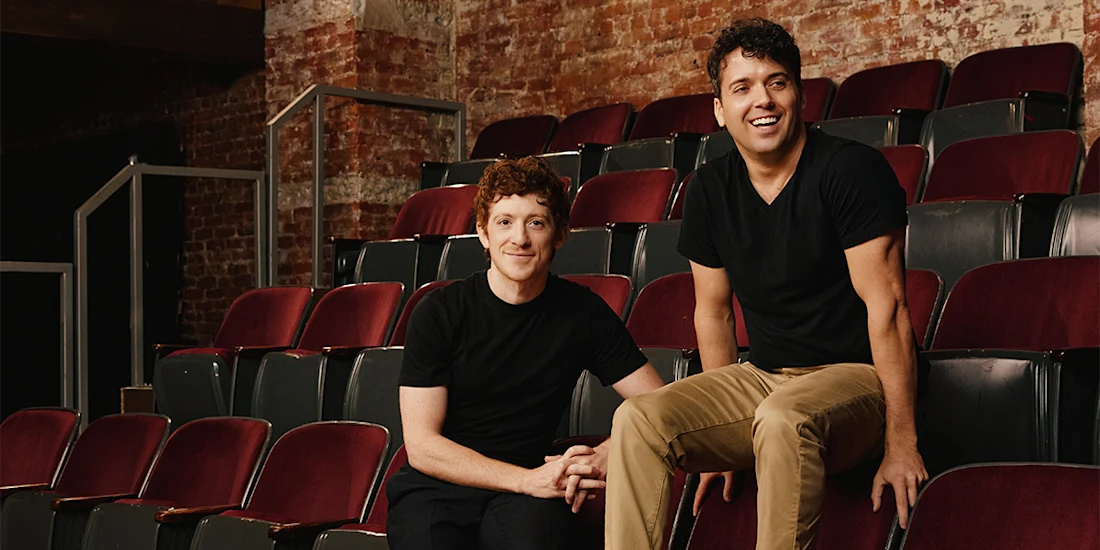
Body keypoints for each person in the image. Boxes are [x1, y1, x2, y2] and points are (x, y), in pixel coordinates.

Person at [605, 18, 928, 550]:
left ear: (799, 94)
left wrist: (901, 442)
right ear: (719, 108)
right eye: (743, 87)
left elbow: (889, 309)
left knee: (783, 417)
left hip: (858, 379)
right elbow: (712, 312)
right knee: (637, 419)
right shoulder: (709, 188)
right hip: (767, 376)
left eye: (777, 82)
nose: (763, 101)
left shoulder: (851, 171)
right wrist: (718, 442)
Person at [387, 157, 666, 550]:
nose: (519, 238)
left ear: (560, 235)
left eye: (536, 222)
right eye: (504, 222)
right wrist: (523, 479)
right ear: (483, 233)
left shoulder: (582, 312)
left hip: (530, 490)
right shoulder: (439, 312)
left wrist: (606, 453)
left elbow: (660, 405)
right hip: (441, 486)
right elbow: (423, 447)